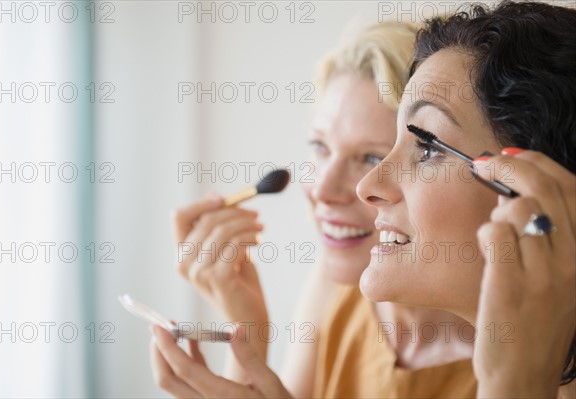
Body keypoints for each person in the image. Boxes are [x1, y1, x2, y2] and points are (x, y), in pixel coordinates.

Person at [149, 1, 576, 398]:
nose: (362, 185)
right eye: (319, 146)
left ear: (532, 187)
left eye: (426, 146)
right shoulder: (337, 289)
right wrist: (247, 337)